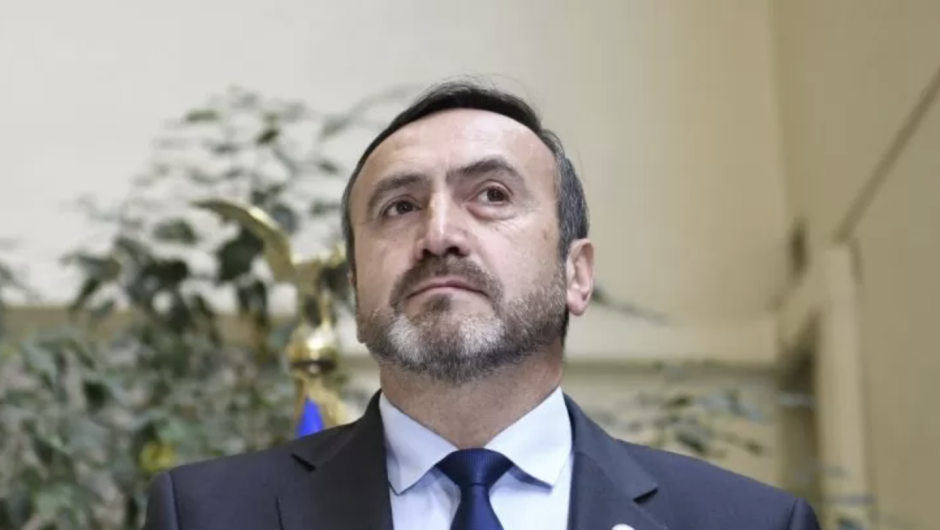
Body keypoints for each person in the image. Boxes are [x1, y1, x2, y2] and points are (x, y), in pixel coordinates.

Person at [141, 80, 821, 530]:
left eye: (492, 195)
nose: (439, 234)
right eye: (400, 206)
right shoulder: (207, 517)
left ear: (576, 273)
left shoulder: (747, 524)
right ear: (354, 287)